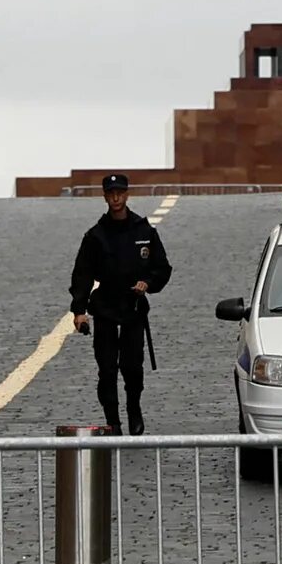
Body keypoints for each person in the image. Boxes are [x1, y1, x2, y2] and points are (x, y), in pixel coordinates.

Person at [68, 173, 171, 435]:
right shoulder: (95, 236)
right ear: (105, 197)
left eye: (119, 193)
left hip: (133, 308)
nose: (115, 198)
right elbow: (82, 274)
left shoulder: (144, 230)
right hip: (105, 308)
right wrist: (79, 311)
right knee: (107, 369)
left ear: (127, 194)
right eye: (110, 193)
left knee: (132, 366)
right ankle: (112, 421)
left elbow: (162, 268)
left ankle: (134, 408)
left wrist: (147, 283)